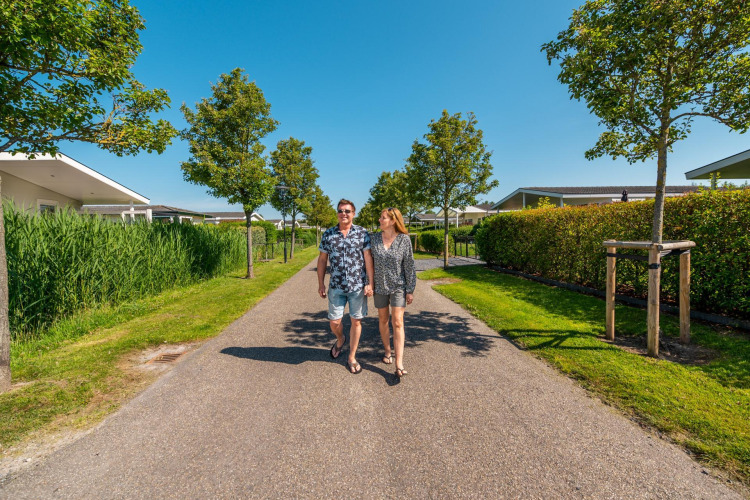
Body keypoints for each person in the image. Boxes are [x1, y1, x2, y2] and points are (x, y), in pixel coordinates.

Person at [317, 199, 374, 374]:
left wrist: (370, 283)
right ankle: (341, 339)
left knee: (356, 321)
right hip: (336, 286)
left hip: (358, 286)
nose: (344, 214)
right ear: (337, 213)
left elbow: (368, 259)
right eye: (341, 211)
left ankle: (352, 357)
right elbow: (322, 260)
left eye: (347, 211)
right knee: (334, 322)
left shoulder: (362, 233)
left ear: (353, 213)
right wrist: (321, 284)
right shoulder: (329, 234)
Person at [370, 207, 416, 379]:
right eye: (380, 218)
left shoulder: (404, 240)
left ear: (393, 221)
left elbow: (409, 265)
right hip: (380, 286)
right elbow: (368, 262)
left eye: (383, 218)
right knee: (383, 319)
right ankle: (387, 351)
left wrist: (410, 289)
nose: (380, 220)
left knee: (397, 322)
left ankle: (399, 363)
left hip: (398, 286)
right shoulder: (373, 238)